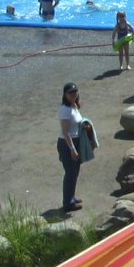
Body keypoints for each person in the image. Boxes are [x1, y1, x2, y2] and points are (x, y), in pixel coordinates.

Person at [56, 82, 88, 211]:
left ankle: (71, 197)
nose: (73, 94)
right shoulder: (65, 110)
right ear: (65, 94)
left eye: (75, 92)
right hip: (67, 144)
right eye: (70, 92)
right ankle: (67, 204)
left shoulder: (74, 106)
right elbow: (65, 132)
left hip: (76, 142)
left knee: (75, 173)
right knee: (70, 173)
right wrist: (72, 149)